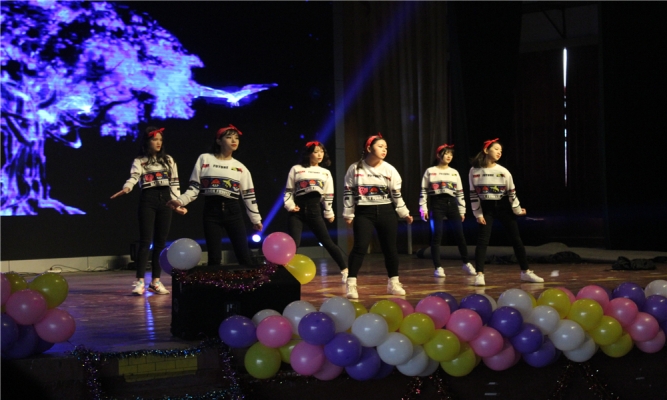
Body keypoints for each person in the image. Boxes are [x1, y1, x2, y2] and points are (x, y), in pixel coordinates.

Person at [167, 124, 262, 267]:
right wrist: (180, 201)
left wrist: (256, 219)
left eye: (236, 138)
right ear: (218, 141)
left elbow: (249, 196)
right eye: (229, 137)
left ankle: (250, 281)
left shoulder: (241, 168)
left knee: (244, 255)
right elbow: (194, 188)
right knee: (214, 257)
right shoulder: (205, 159)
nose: (234, 141)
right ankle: (214, 282)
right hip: (211, 210)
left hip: (233, 211)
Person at [111, 126, 186, 295]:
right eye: (154, 139)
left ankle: (156, 282)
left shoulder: (168, 160)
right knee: (145, 242)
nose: (158, 143)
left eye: (160, 140)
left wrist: (177, 203)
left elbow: (175, 183)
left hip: (166, 200)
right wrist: (127, 188)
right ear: (147, 141)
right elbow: (134, 177)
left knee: (160, 242)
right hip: (148, 199)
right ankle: (140, 281)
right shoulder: (140, 160)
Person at [342, 133, 413, 299]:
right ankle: (351, 283)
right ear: (369, 148)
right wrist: (348, 213)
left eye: (386, 147)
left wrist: (404, 213)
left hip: (386, 211)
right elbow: (348, 193)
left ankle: (393, 282)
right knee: (360, 247)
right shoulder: (355, 168)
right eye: (380, 146)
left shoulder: (390, 169)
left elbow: (396, 194)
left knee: (390, 248)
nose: (384, 150)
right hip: (364, 212)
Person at [468, 138, 544, 286]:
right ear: (486, 150)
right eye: (496, 149)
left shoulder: (503, 171)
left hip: (503, 207)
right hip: (487, 207)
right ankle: (479, 274)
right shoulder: (474, 171)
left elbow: (511, 193)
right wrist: (478, 214)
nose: (499, 152)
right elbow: (473, 194)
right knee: (483, 240)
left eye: (501, 151)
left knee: (516, 240)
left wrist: (517, 210)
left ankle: (526, 272)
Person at [284, 141, 349, 282]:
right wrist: (290, 205)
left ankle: (345, 270)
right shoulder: (296, 169)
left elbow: (328, 194)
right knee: (293, 244)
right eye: (316, 152)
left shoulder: (325, 172)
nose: (320, 155)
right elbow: (289, 191)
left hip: (315, 210)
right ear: (308, 154)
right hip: (297, 211)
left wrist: (328, 211)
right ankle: (284, 274)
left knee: (327, 242)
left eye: (321, 151)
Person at [419, 143, 476, 278]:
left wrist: (462, 210)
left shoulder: (454, 172)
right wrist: (423, 208)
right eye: (446, 154)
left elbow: (460, 192)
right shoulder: (430, 171)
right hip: (437, 203)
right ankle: (438, 267)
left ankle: (466, 263)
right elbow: (424, 191)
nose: (449, 156)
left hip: (452, 204)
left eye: (451, 154)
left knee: (460, 235)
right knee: (437, 235)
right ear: (439, 155)